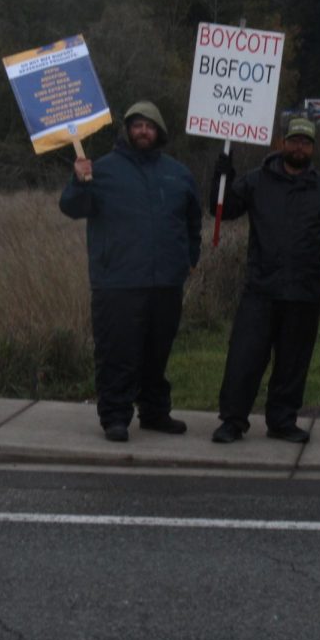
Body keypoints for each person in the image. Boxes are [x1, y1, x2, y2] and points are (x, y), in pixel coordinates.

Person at [59, 100, 202, 443]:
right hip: (117, 282)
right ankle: (115, 417)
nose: (143, 130)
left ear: (160, 132)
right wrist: (79, 182)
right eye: (136, 124)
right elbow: (72, 207)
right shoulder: (100, 170)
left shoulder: (178, 173)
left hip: (166, 282)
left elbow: (192, 222)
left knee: (157, 352)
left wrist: (188, 260)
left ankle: (154, 413)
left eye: (149, 126)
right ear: (127, 129)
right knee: (117, 353)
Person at [209, 117, 320, 444]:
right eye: (294, 140)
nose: (299, 147)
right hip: (261, 289)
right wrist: (223, 173)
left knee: (293, 362)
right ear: (283, 143)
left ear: (312, 148)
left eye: (305, 142)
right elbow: (223, 210)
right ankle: (233, 421)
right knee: (244, 358)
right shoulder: (256, 180)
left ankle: (282, 420)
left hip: (304, 291)